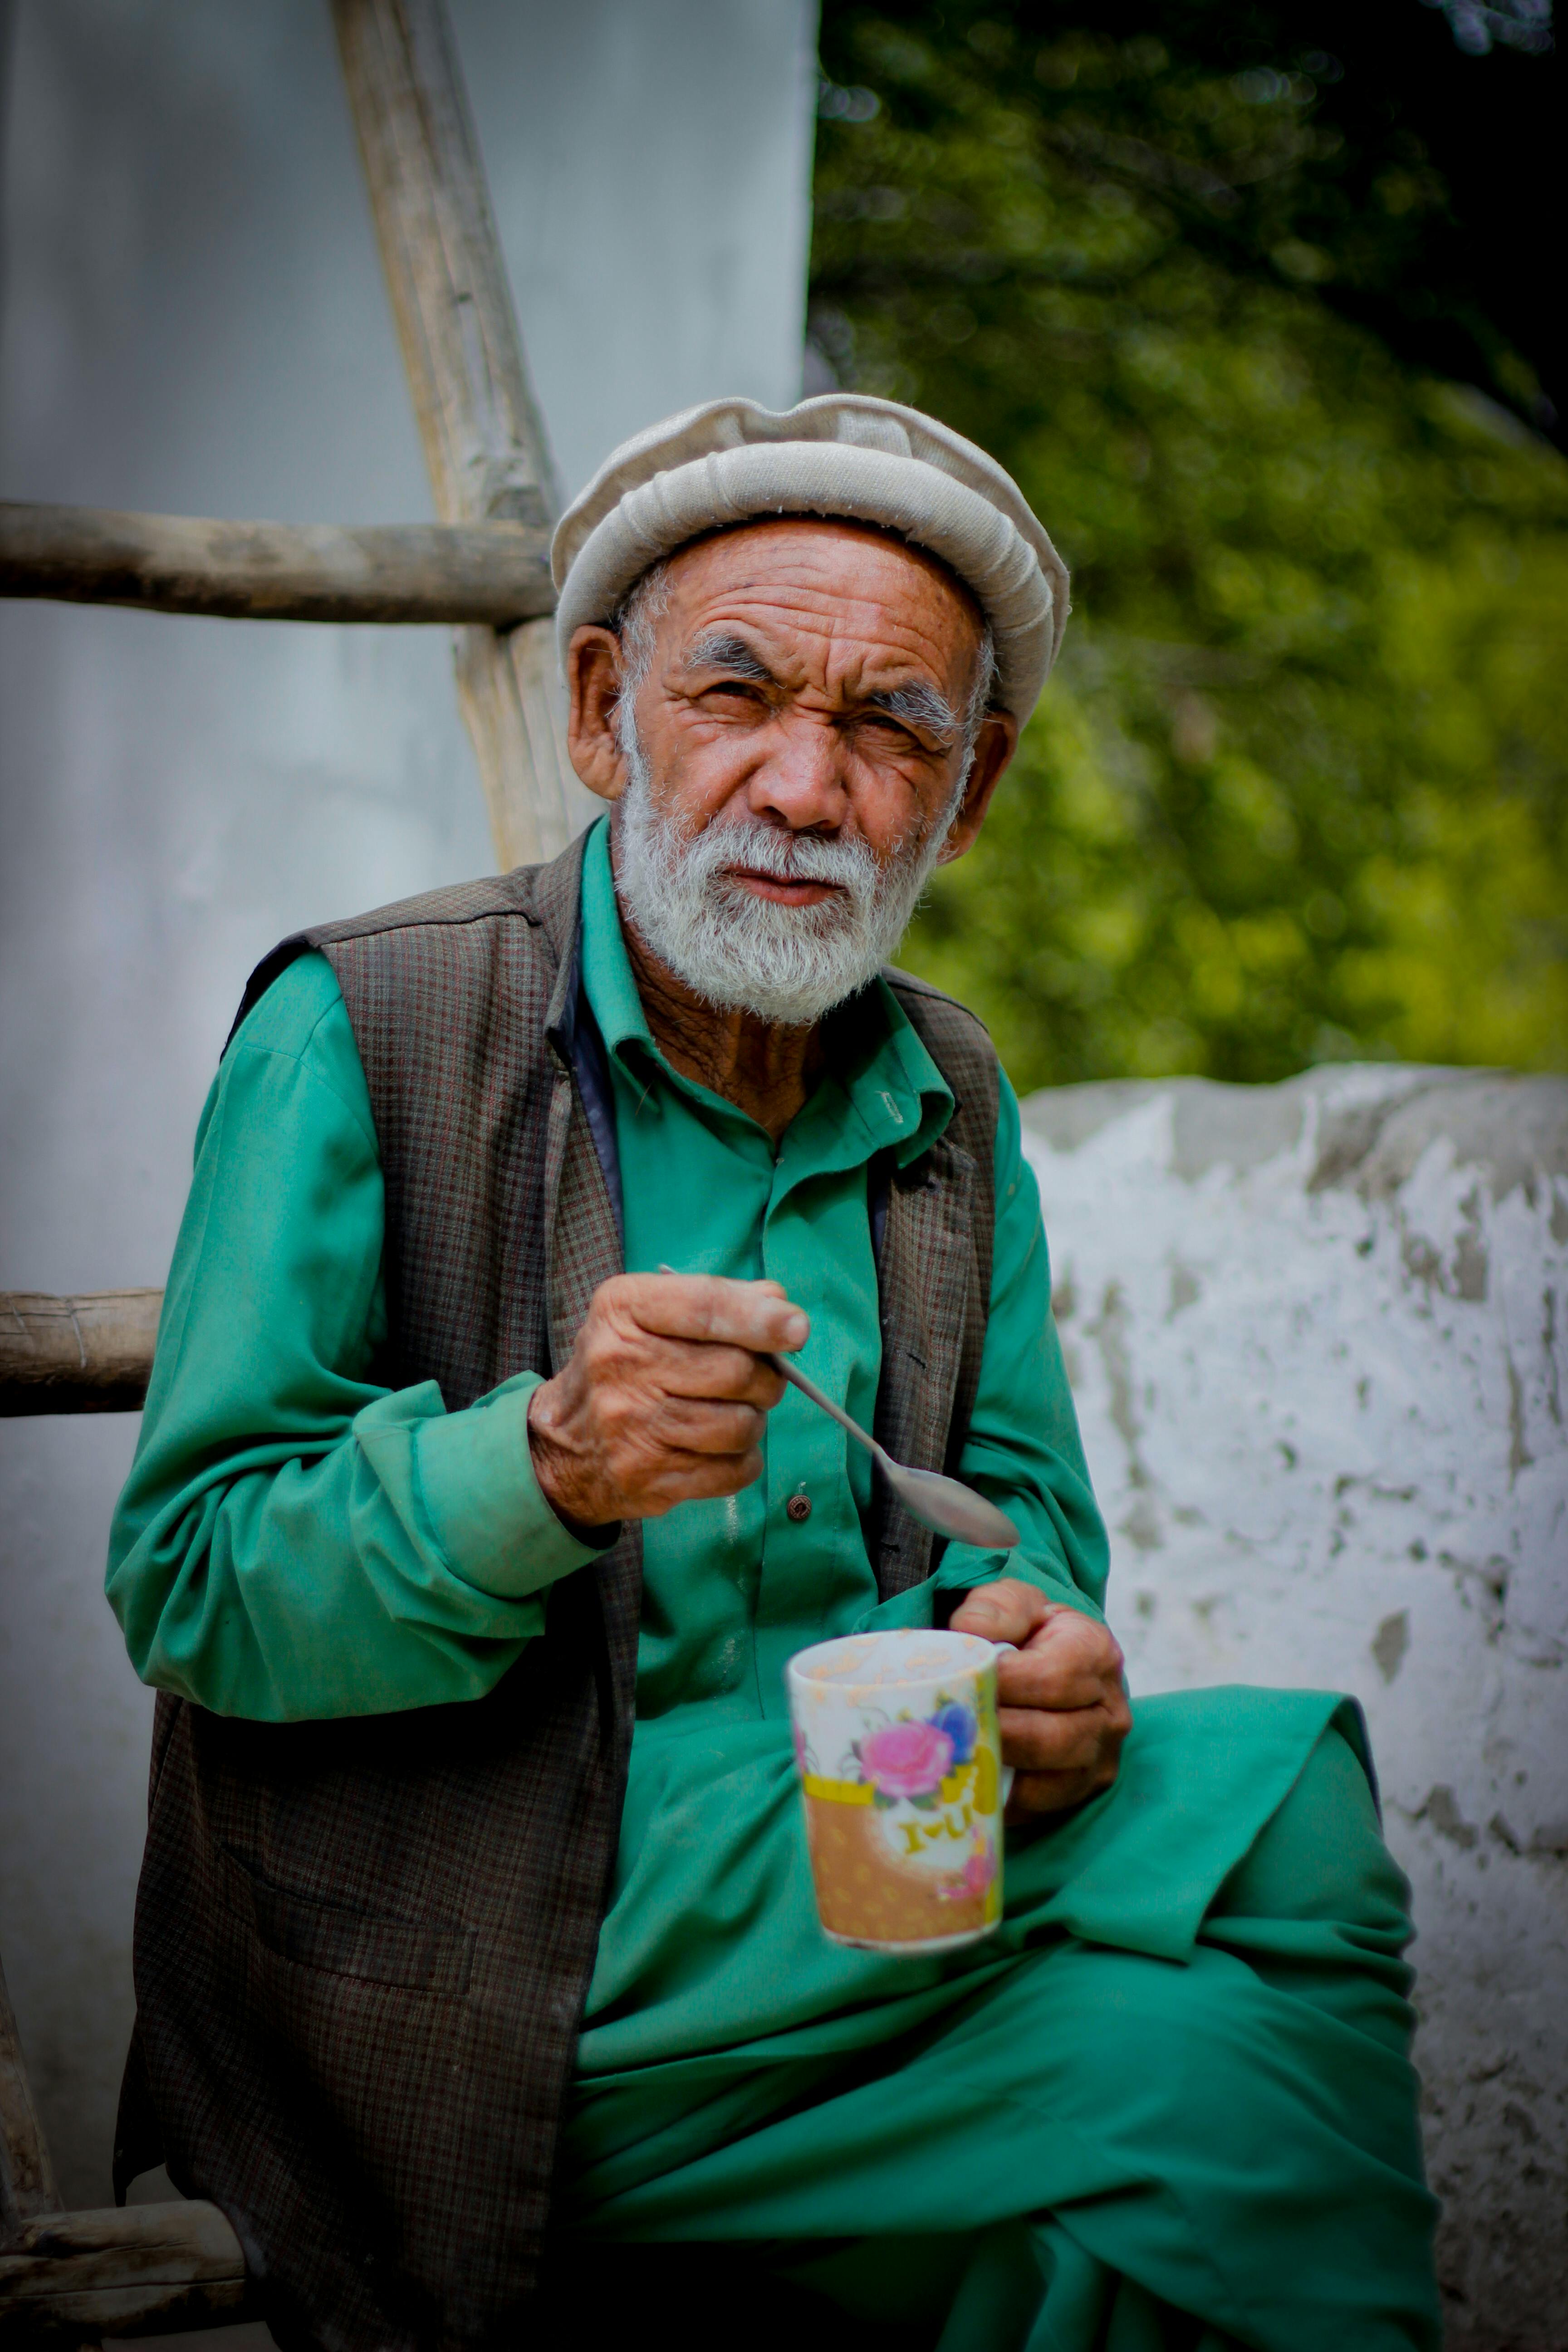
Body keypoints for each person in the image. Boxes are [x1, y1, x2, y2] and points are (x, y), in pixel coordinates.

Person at [106, 395, 1439, 2352]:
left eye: (889, 725)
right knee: (1254, 1912)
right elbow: (191, 1580)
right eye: (735, 695)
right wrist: (546, 1467)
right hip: (480, 1965)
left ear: (966, 795)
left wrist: (1031, 1637)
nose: (804, 788)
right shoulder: (362, 1026)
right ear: (599, 713)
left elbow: (1028, 1507)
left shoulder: (949, 1095)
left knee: (1200, 2061)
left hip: (866, 1872)